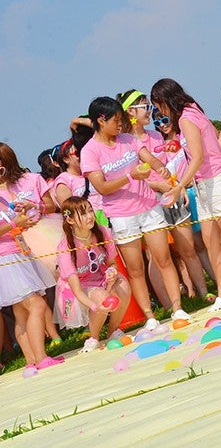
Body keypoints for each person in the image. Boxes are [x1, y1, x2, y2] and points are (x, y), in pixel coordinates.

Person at [81, 97, 190, 328]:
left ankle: (178, 308)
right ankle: (150, 316)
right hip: (122, 215)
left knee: (163, 258)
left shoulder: (129, 139)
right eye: (116, 120)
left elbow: (150, 159)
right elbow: (101, 187)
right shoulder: (90, 151)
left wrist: (166, 174)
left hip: (149, 206)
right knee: (135, 268)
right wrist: (131, 177)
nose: (120, 125)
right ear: (101, 120)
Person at [150, 79, 221, 311]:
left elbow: (198, 157)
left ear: (166, 99)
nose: (159, 110)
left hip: (217, 180)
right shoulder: (190, 112)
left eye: (158, 104)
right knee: (211, 242)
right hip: (202, 185)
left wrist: (179, 187)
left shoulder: (188, 117)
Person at [0, 149, 63, 372]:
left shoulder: (26, 182)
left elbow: (49, 206)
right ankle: (41, 356)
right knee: (36, 304)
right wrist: (15, 223)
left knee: (21, 311)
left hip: (19, 253)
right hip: (7, 259)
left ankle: (31, 361)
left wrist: (29, 211)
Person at [55, 196, 131, 353]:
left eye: (90, 210)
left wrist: (112, 271)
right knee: (101, 298)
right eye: (83, 213)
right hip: (78, 288)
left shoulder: (102, 232)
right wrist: (95, 307)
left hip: (101, 277)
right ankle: (93, 338)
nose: (90, 216)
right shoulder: (66, 248)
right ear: (70, 220)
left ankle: (113, 331)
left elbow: (112, 263)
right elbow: (76, 290)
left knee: (123, 286)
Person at [150, 108, 210, 300]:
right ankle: (191, 292)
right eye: (157, 123)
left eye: (164, 119)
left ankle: (216, 284)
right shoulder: (161, 143)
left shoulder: (183, 133)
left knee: (202, 242)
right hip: (169, 196)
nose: (162, 125)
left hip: (190, 189)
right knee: (178, 251)